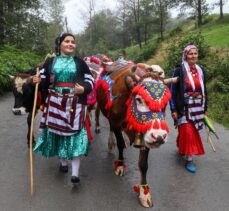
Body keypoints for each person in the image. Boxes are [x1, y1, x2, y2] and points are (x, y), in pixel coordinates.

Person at [32, 33, 94, 183]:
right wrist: (37, 80)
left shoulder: (80, 62)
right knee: (58, 133)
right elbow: (44, 79)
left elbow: (90, 80)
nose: (70, 44)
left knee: (76, 135)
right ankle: (63, 163)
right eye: (67, 41)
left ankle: (75, 173)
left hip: (75, 103)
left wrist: (83, 89)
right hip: (55, 102)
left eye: (73, 42)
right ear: (60, 44)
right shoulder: (50, 62)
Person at [169, 44, 208, 173]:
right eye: (190, 53)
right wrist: (173, 109)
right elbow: (172, 91)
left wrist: (205, 107)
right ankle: (189, 159)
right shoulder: (179, 70)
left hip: (197, 106)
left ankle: (181, 143)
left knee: (191, 130)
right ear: (185, 55)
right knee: (187, 131)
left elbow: (204, 90)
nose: (193, 56)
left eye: (195, 53)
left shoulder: (201, 70)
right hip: (183, 107)